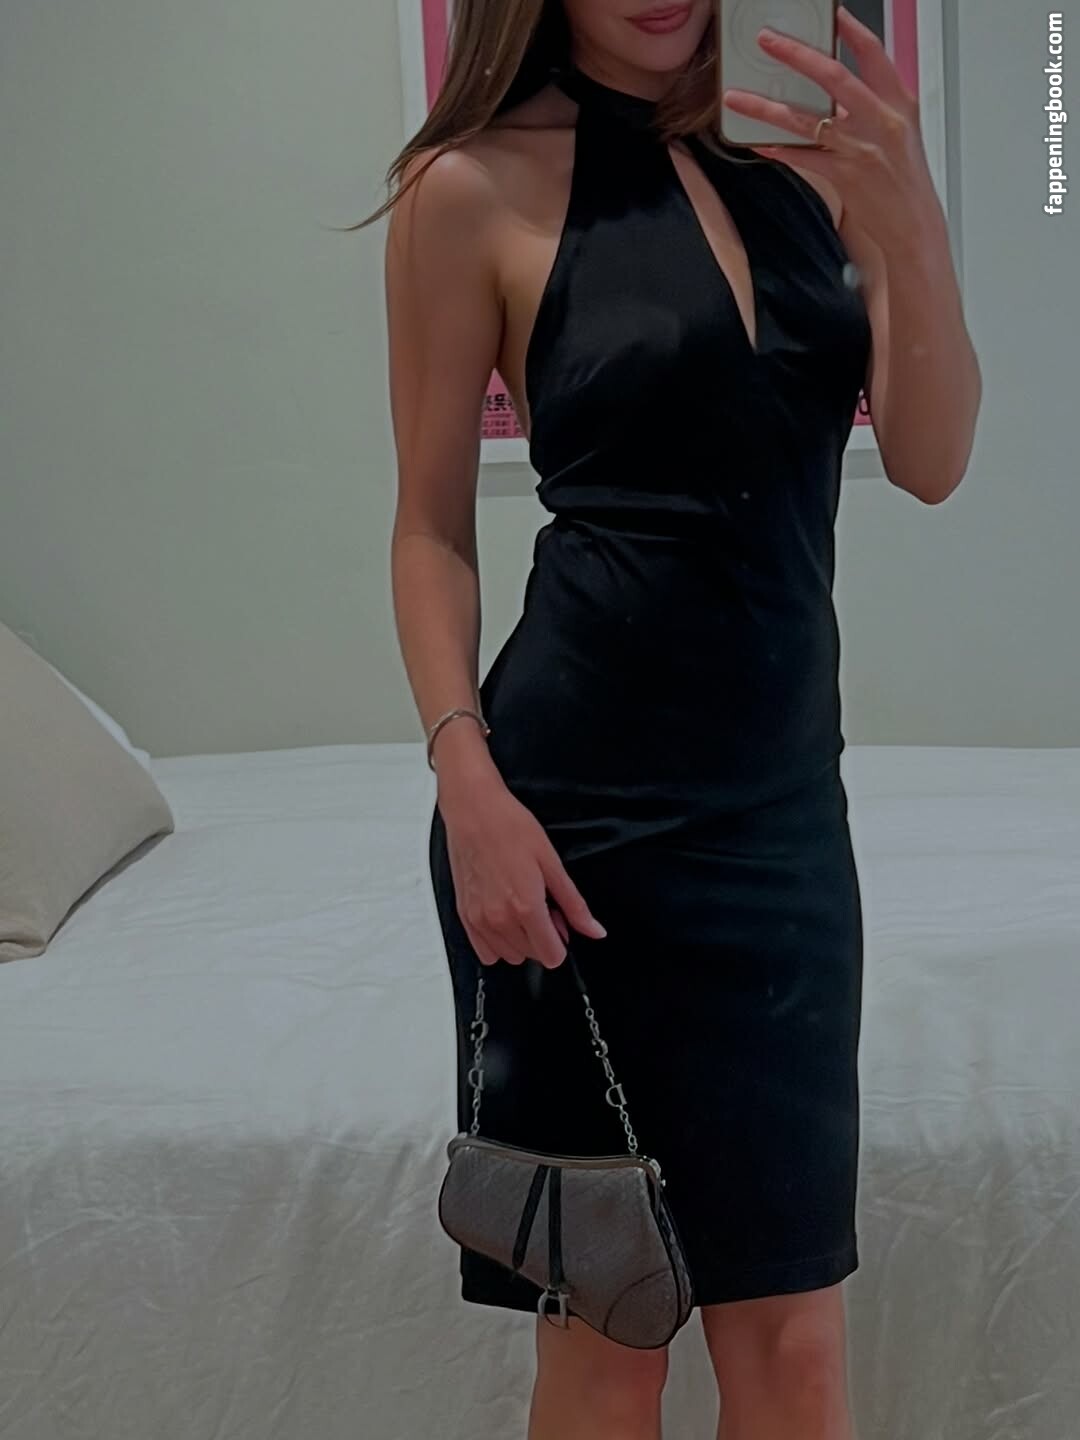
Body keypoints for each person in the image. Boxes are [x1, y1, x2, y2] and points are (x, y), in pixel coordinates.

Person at [369, 2, 981, 1437]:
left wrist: (910, 218)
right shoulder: (468, 188)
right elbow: (428, 530)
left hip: (782, 825)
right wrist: (469, 786)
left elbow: (934, 456)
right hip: (568, 833)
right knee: (609, 1342)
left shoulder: (820, 159)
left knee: (799, 1352)